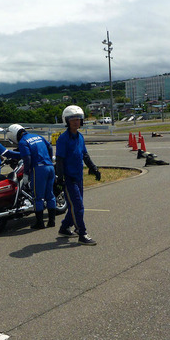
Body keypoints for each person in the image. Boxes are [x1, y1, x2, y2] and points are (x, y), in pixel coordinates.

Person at [55, 105, 101, 246]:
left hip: (78, 177)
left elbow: (84, 154)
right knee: (78, 206)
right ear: (67, 121)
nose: (76, 122)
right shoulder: (63, 139)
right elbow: (60, 160)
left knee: (74, 205)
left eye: (78, 119)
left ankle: (64, 228)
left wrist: (93, 168)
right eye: (72, 119)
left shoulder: (79, 137)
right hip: (69, 179)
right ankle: (82, 233)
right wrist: (60, 178)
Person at [8, 124, 57, 230]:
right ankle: (52, 221)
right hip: (50, 166)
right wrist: (48, 159)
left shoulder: (23, 142)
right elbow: (49, 146)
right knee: (50, 194)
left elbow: (27, 158)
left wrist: (26, 173)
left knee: (38, 196)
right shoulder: (38, 136)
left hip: (38, 169)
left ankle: (40, 223)